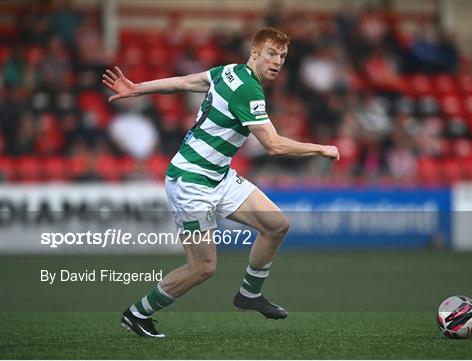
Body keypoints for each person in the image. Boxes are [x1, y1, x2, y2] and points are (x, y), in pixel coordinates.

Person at [102, 27, 340, 338]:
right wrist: (320, 148)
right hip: (191, 182)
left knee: (276, 225)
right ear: (254, 53)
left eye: (282, 56)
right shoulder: (248, 90)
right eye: (271, 53)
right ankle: (137, 313)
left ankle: (249, 294)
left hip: (219, 176)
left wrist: (138, 88)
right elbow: (273, 145)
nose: (277, 61)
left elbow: (187, 82)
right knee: (202, 268)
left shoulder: (229, 72)